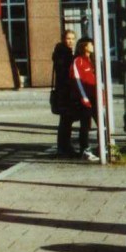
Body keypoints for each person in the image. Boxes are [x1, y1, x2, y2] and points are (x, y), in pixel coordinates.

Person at [70, 36, 99, 162]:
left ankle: (102, 146)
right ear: (84, 46)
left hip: (95, 97)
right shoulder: (78, 61)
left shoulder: (91, 60)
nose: (92, 46)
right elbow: (77, 80)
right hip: (85, 99)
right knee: (85, 125)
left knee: (102, 123)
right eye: (90, 44)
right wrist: (84, 98)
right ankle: (85, 150)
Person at [52, 29, 78, 157]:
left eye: (73, 39)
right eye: (68, 38)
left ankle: (65, 147)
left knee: (66, 120)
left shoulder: (65, 52)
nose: (71, 41)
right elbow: (64, 74)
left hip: (65, 91)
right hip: (64, 92)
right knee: (65, 120)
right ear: (63, 39)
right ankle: (63, 148)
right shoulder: (62, 54)